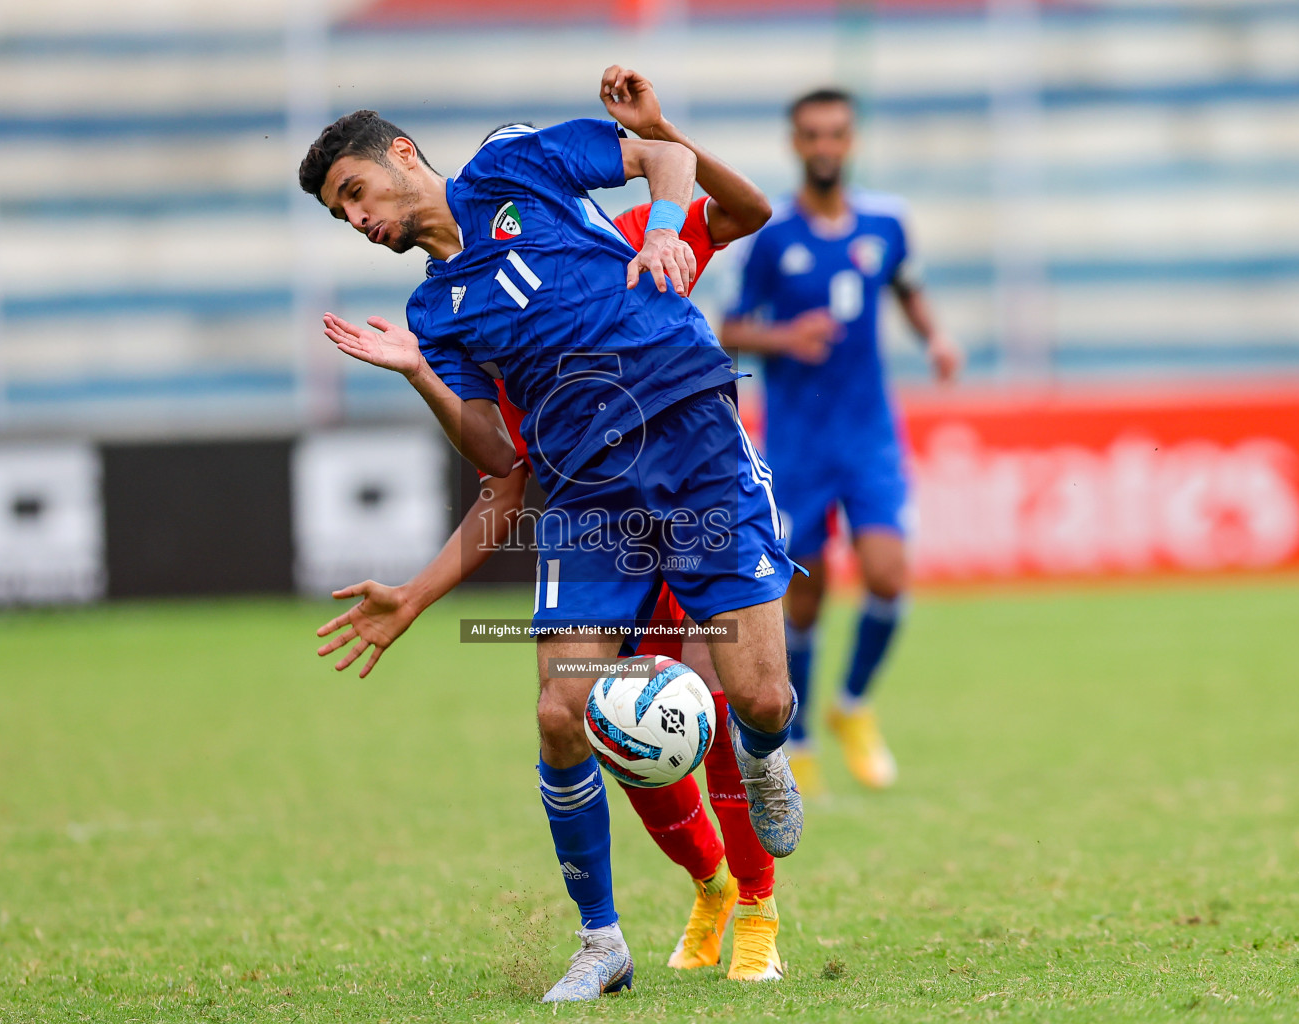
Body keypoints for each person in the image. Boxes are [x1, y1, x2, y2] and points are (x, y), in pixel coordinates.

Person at [297, 73, 803, 1003]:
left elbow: (666, 158)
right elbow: (498, 458)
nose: (357, 221)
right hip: (586, 495)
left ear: (400, 152)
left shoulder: (512, 165)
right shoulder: (434, 313)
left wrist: (659, 228)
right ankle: (603, 941)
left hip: (690, 432)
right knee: (560, 713)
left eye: (354, 194)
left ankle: (767, 758)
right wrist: (420, 373)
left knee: (761, 696)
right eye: (341, 216)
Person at [719, 87, 961, 794]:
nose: (825, 147)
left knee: (887, 576)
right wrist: (784, 338)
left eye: (836, 135)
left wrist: (935, 338)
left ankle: (851, 705)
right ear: (797, 144)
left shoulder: (887, 222)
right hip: (796, 442)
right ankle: (797, 739)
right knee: (806, 595)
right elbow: (730, 328)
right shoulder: (770, 236)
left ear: (850, 142)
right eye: (812, 136)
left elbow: (905, 286)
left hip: (869, 436)